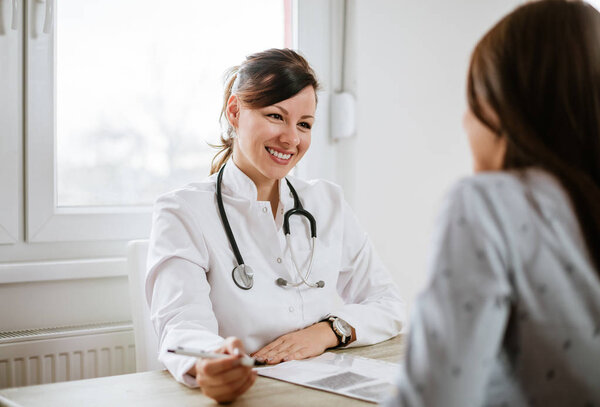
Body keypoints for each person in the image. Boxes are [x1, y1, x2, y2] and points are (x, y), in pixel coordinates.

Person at [146, 48, 405, 403]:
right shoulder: (183, 211)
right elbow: (182, 327)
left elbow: (388, 304)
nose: (291, 139)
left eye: (304, 124)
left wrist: (326, 332)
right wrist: (210, 365)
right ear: (235, 111)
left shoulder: (326, 203)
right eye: (275, 116)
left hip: (322, 389)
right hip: (250, 392)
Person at [384, 1, 600, 406]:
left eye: (472, 100)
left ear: (503, 108)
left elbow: (435, 398)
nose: (465, 121)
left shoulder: (486, 203)